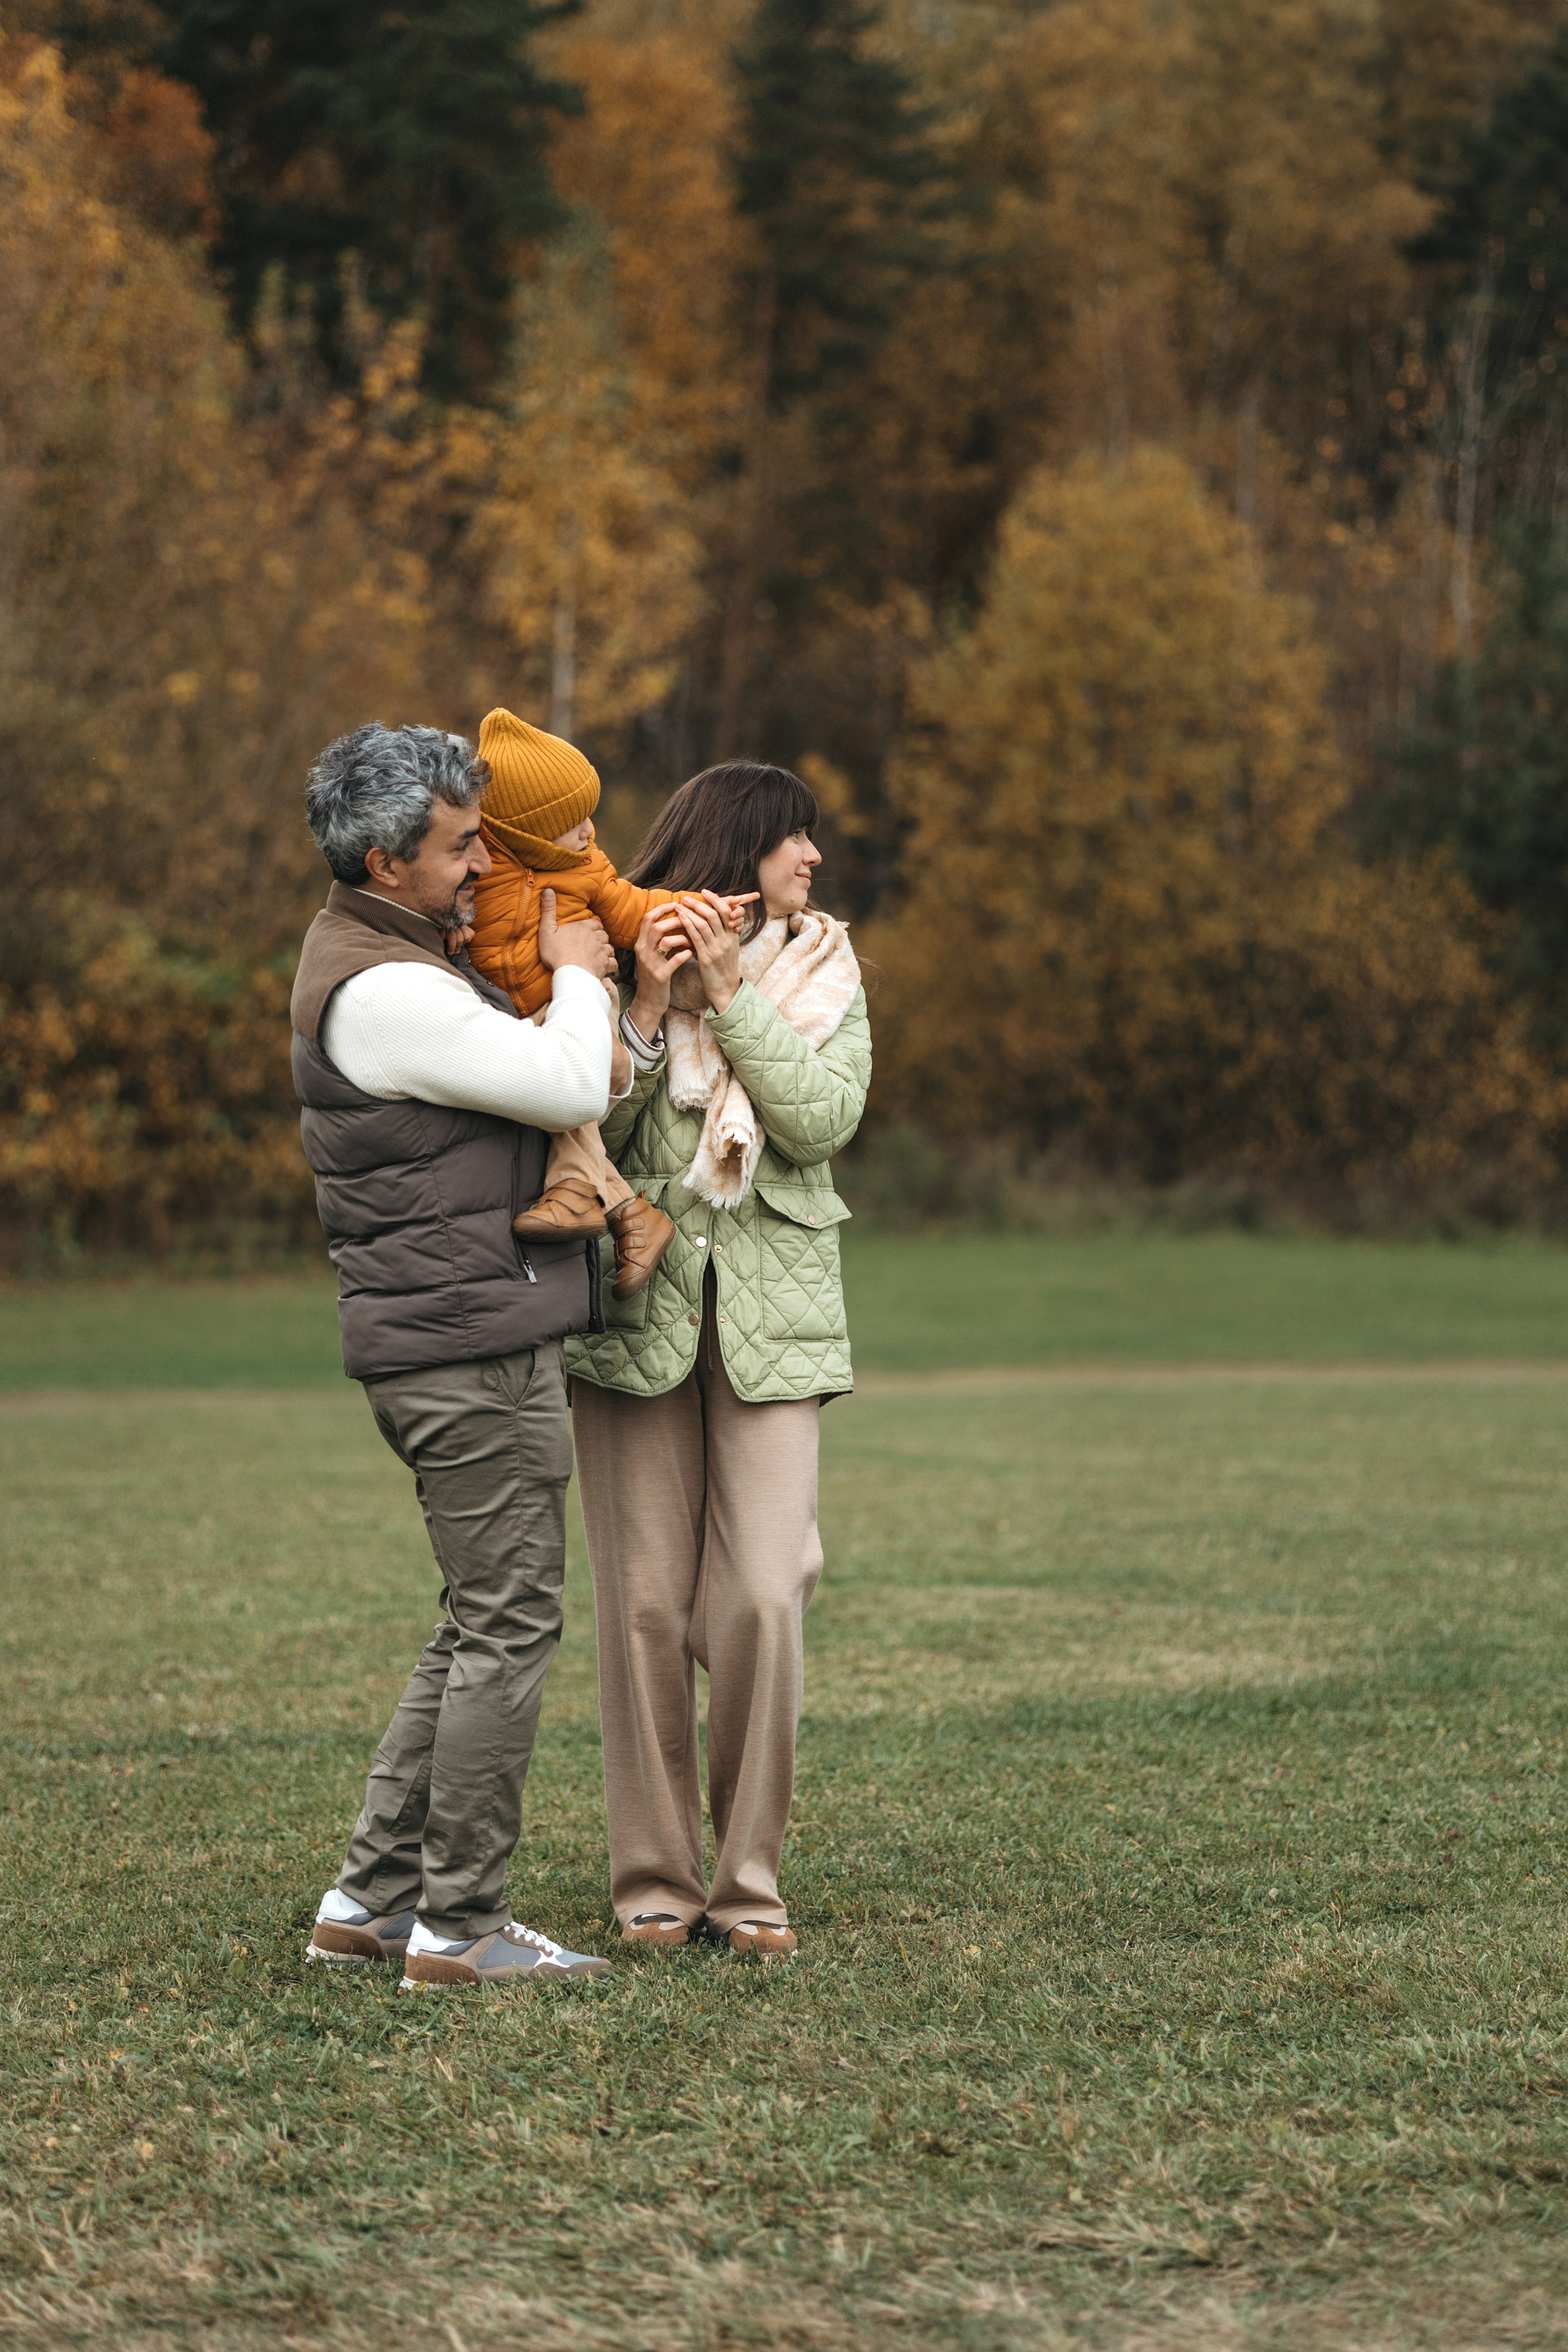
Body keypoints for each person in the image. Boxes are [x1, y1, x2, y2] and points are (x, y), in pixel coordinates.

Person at [290, 721, 646, 1992]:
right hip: (467, 1356)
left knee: (471, 1622)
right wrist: (573, 961)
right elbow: (565, 1090)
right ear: (386, 861)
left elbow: (562, 1078)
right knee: (508, 1629)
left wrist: (616, 999)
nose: (474, 866)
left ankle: (369, 1905)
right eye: (453, 848)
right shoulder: (384, 991)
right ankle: (461, 1930)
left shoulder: (404, 961)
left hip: (460, 1342)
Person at [567, 761, 872, 1961]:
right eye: (796, 840)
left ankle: (747, 1886)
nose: (812, 863)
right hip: (634, 1308)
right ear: (741, 845)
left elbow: (816, 1122)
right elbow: (594, 1124)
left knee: (757, 1595)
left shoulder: (824, 968)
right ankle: (655, 1880)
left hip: (774, 1316)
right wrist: (645, 1007)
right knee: (642, 1605)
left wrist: (730, 991)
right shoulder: (611, 952)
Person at [466, 707, 755, 1298]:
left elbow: (636, 907)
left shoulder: (586, 871)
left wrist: (702, 911)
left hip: (581, 998)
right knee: (533, 1089)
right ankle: (633, 1217)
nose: (590, 831)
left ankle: (575, 1194)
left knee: (561, 1082)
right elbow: (454, 910)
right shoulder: (479, 867)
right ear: (526, 831)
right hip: (513, 1010)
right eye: (573, 822)